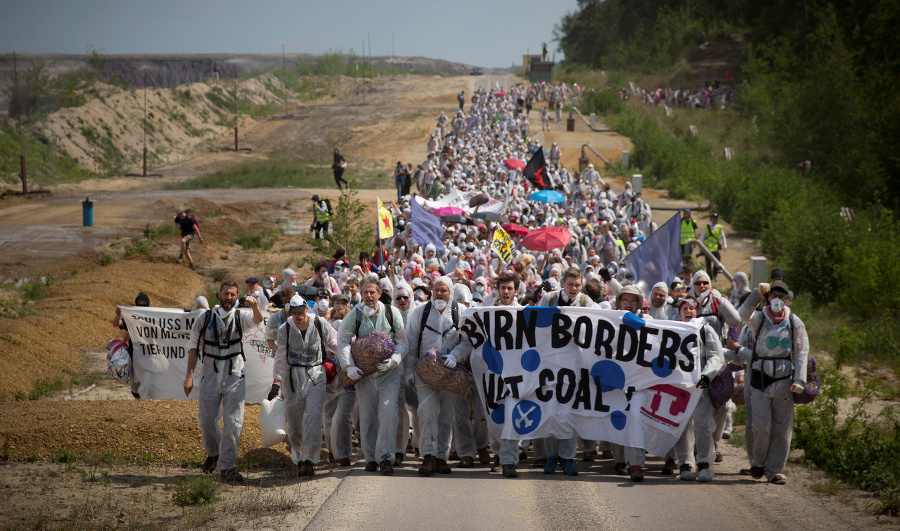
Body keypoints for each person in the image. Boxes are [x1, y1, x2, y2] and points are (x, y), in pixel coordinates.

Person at [727, 281, 808, 485]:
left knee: (781, 428)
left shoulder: (793, 321)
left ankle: (774, 469)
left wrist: (799, 379)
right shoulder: (759, 318)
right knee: (760, 426)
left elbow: (800, 351)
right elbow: (742, 315)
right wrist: (756, 293)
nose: (777, 300)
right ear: (767, 298)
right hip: (759, 379)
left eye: (781, 296)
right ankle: (757, 462)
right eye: (773, 295)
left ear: (788, 300)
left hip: (783, 380)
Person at [184, 280, 264, 482]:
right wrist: (189, 376)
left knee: (234, 422)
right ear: (218, 295)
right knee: (206, 420)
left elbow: (257, 320)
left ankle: (228, 466)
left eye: (233, 295)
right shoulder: (204, 318)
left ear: (237, 297)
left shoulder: (240, 316)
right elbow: (193, 347)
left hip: (234, 374)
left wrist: (254, 306)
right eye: (226, 294)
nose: (229, 298)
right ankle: (214, 453)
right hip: (210, 373)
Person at [397, 276, 472, 476]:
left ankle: (441, 457)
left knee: (447, 415)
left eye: (443, 291)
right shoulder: (420, 313)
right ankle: (428, 456)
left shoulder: (461, 313)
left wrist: (455, 356)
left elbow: (467, 341)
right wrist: (409, 372)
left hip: (450, 372)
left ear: (451, 293)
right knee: (427, 413)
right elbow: (411, 343)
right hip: (425, 372)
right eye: (436, 290)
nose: (439, 294)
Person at [338, 276, 406, 475]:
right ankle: (370, 458)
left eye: (372, 292)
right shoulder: (355, 315)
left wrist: (394, 360)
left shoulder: (392, 313)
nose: (369, 296)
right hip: (365, 375)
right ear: (360, 293)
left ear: (379, 293)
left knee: (388, 413)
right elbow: (342, 341)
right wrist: (348, 366)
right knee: (367, 417)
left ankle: (385, 457)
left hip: (388, 374)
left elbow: (403, 342)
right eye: (365, 292)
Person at [268, 294, 339, 477]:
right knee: (295, 420)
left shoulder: (319, 323)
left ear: (306, 309)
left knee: (314, 417)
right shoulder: (285, 329)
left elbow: (334, 342)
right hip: (293, 376)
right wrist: (276, 381)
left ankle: (310, 460)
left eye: (300, 311)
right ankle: (299, 458)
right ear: (290, 312)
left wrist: (350, 357)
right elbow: (281, 356)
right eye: (294, 312)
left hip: (316, 373)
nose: (298, 315)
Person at [536, 267, 594, 477]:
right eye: (570, 284)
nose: (573, 289)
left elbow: (601, 325)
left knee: (568, 413)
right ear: (563, 282)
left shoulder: (587, 303)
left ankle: (567, 458)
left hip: (575, 367)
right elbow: (535, 325)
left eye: (577, 285)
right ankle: (551, 456)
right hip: (550, 365)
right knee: (550, 412)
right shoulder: (549, 299)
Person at [672, 296, 724, 482]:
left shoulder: (706, 330)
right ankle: (685, 463)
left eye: (691, 308)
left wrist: (706, 376)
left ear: (697, 310)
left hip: (700, 387)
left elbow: (716, 357)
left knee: (702, 425)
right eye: (684, 308)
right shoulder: (674, 329)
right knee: (680, 425)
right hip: (680, 387)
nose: (688, 311)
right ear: (679, 312)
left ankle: (705, 463)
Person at [113, 292, 151, 399]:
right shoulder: (131, 318)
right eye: (138, 304)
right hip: (135, 356)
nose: (141, 306)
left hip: (149, 356)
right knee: (136, 384)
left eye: (143, 304)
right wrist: (117, 314)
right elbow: (117, 324)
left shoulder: (152, 317)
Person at [703, 212, 727, 279]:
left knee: (717, 262)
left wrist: (725, 245)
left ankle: (715, 274)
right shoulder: (707, 227)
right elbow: (703, 237)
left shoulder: (719, 227)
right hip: (707, 248)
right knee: (708, 264)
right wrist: (701, 247)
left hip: (715, 248)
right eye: (712, 219)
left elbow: (723, 236)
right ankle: (709, 277)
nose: (714, 221)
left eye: (715, 219)